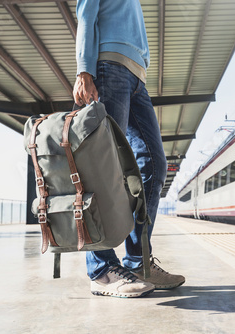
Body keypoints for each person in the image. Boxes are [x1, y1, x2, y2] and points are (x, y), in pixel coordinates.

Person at [72, 0, 185, 298]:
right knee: (103, 168)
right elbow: (86, 13)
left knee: (154, 164)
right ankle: (101, 270)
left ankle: (137, 262)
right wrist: (84, 70)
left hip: (136, 78)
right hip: (108, 67)